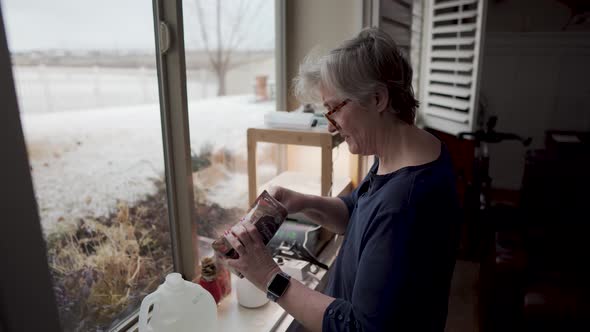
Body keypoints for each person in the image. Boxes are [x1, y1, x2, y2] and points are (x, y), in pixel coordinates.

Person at [222, 27, 460, 331]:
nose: (331, 128)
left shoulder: (405, 204)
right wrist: (302, 203)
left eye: (333, 110)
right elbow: (357, 213)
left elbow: (359, 327)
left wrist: (268, 276)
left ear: (377, 99)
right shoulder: (406, 150)